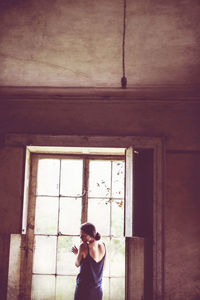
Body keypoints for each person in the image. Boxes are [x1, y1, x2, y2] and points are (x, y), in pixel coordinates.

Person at [72, 222, 106, 300]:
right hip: (97, 289)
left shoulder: (83, 246)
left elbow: (77, 264)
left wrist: (77, 254)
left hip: (83, 289)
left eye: (83, 235)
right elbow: (103, 267)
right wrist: (80, 254)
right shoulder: (103, 245)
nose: (80, 237)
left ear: (90, 235)